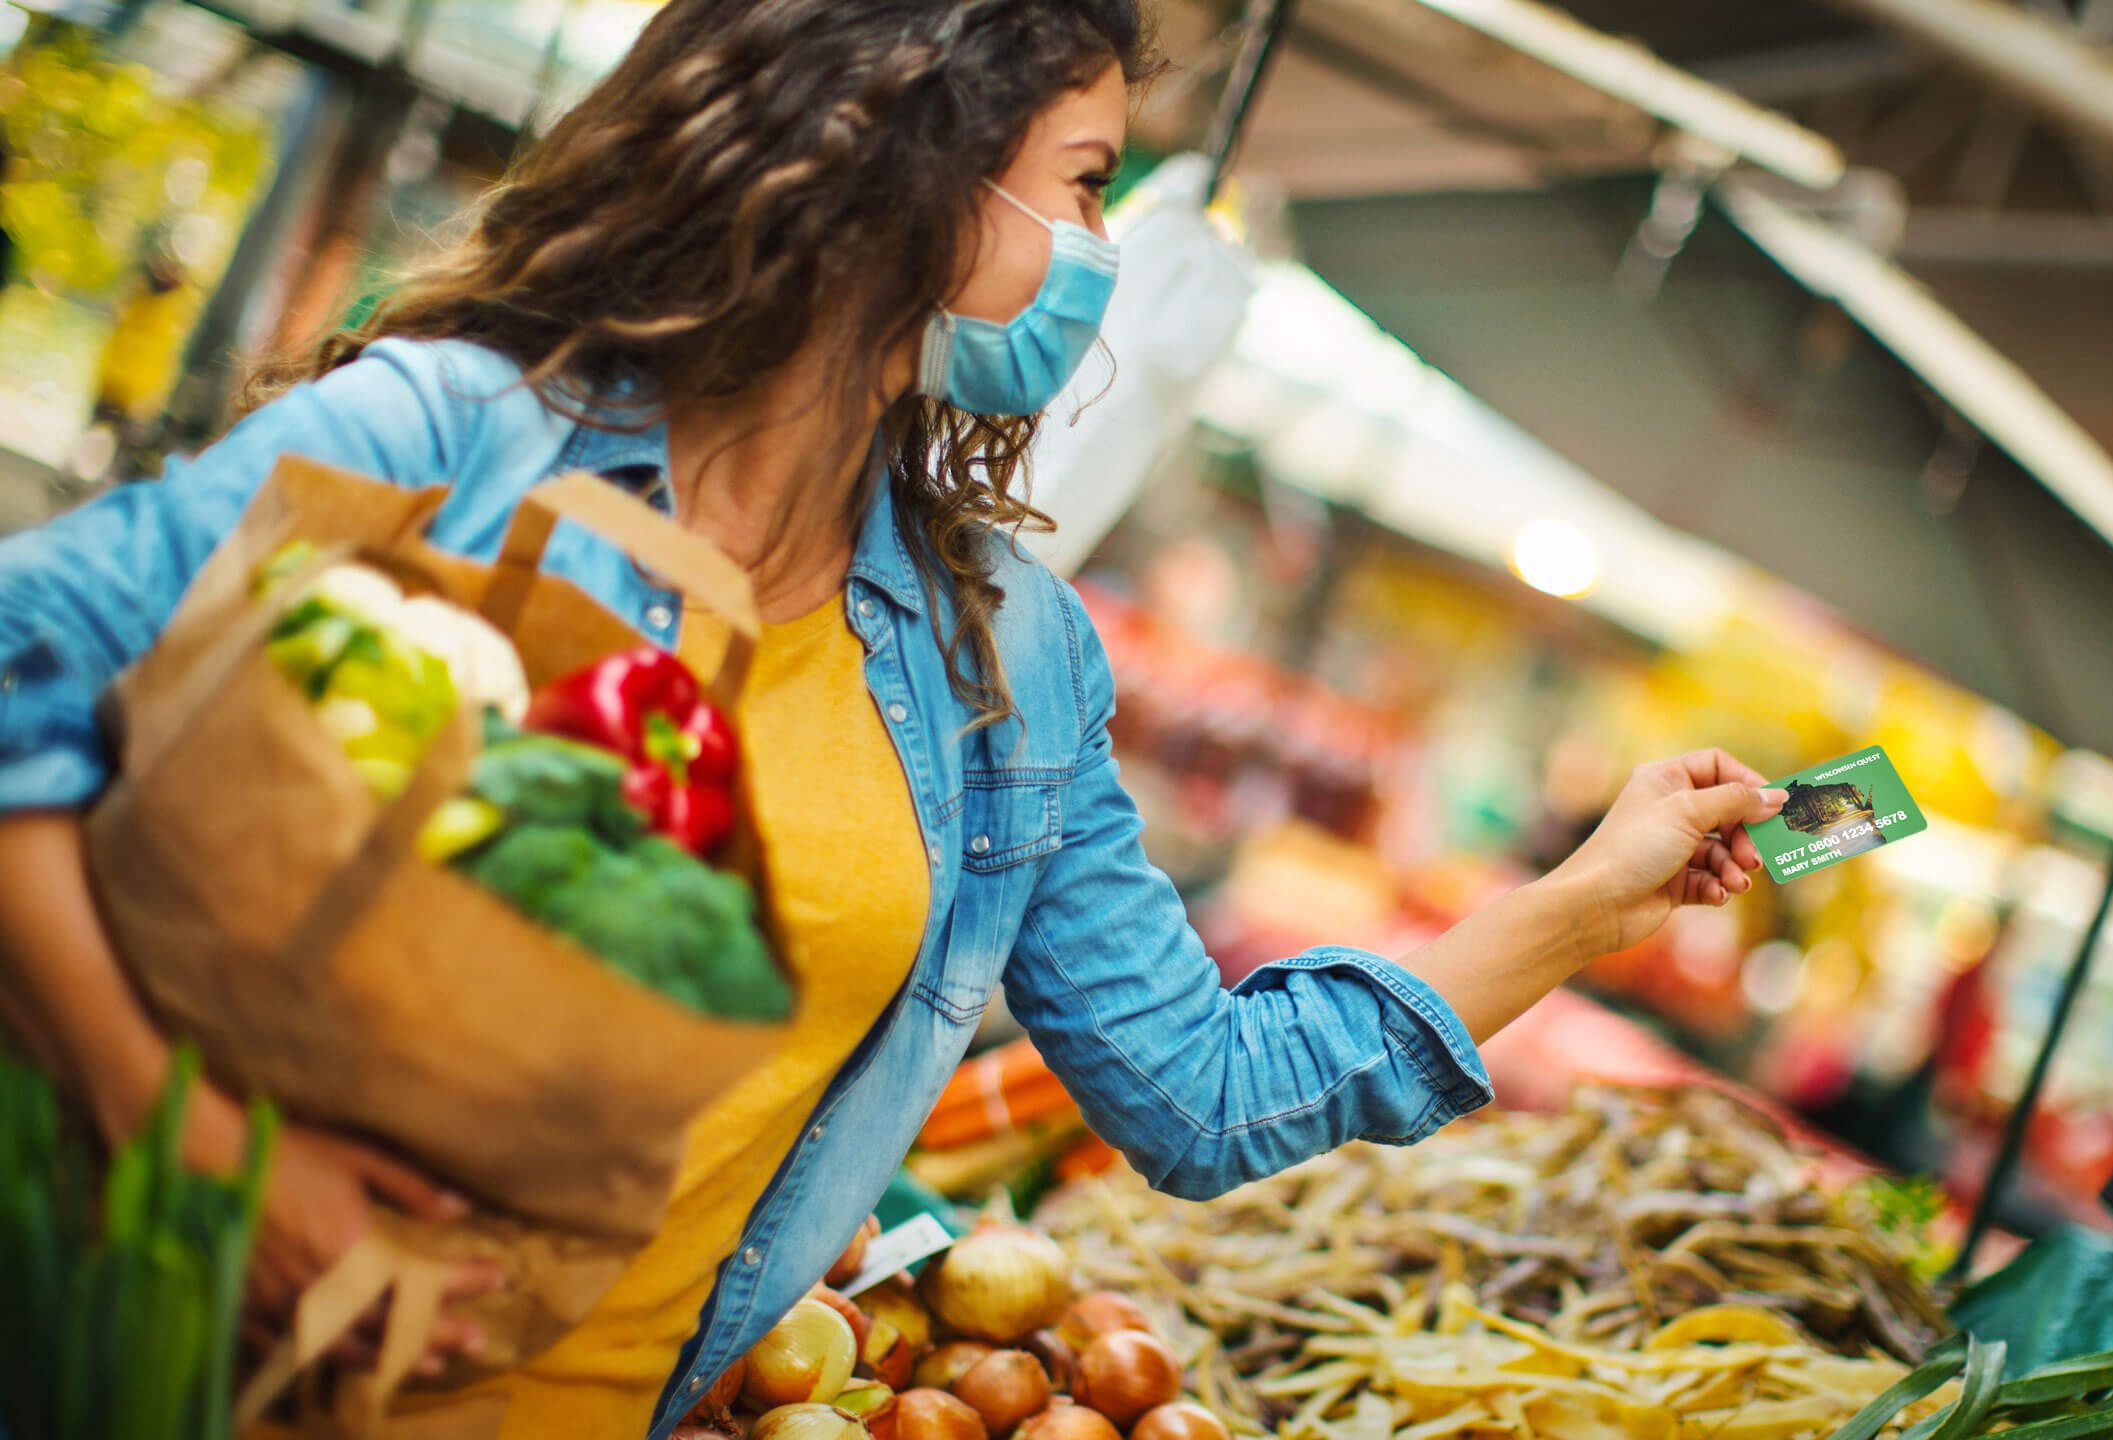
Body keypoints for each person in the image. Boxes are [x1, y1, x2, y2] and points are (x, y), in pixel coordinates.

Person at [0, 2, 1788, 1434]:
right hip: (122, 1350)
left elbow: (1201, 1094)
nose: (1101, 253)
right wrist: (204, 1139)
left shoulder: (1007, 664)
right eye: (1085, 185)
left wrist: (1590, 899)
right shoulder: (454, 438)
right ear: (909, 163)